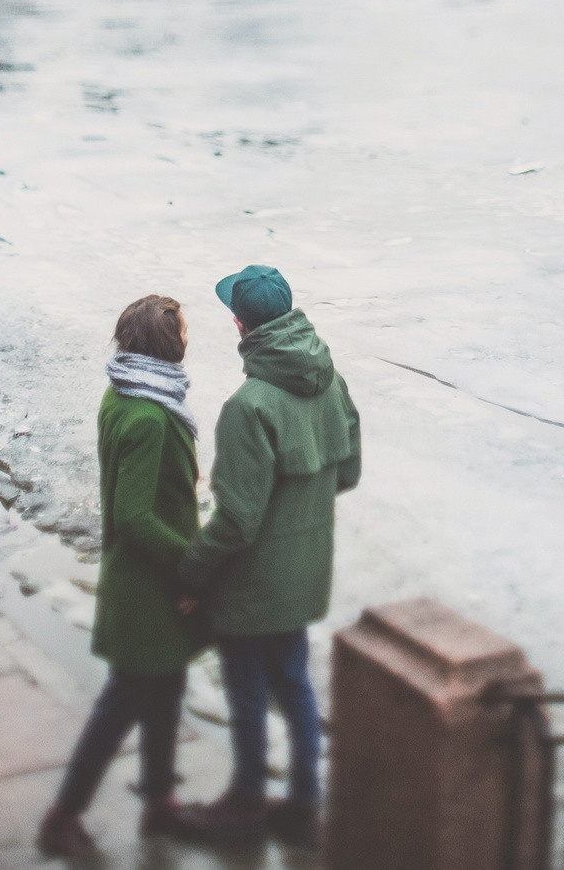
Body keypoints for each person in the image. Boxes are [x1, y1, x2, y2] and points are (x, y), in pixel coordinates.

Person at [180, 265, 361, 845]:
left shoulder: (248, 406)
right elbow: (348, 472)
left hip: (252, 584)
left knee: (248, 691)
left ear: (240, 324)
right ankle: (304, 804)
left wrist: (190, 571)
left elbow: (236, 521)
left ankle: (246, 802)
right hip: (305, 573)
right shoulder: (332, 381)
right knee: (295, 683)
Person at [37, 295, 208, 856]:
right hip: (148, 587)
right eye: (183, 331)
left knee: (168, 690)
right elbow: (135, 516)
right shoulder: (150, 416)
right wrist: (192, 566)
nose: (188, 338)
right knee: (121, 706)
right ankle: (62, 817)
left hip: (141, 580)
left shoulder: (123, 393)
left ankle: (160, 802)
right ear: (168, 345)